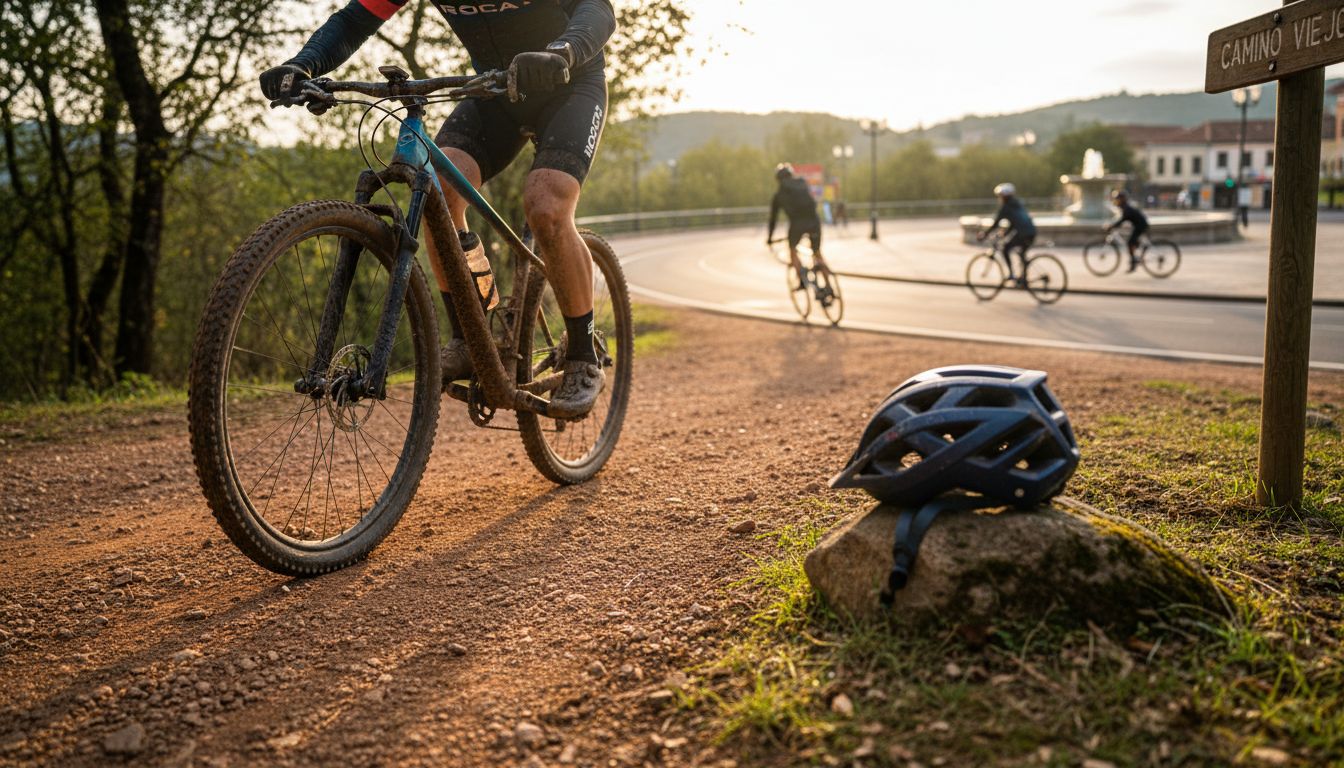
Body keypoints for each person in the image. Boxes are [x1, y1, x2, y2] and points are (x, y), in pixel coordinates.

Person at [258, 0, 616, 419]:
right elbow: (355, 19)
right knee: (439, 192)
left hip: (571, 85)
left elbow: (597, 8)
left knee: (546, 205)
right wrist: (303, 65)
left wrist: (565, 50)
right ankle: (469, 337)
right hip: (496, 92)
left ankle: (582, 357)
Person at [767, 164, 829, 286]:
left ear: (778, 179)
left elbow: (773, 220)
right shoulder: (802, 182)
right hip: (814, 220)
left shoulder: (778, 195)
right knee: (817, 252)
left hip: (797, 224)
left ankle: (801, 280)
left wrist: (770, 238)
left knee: (792, 250)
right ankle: (829, 285)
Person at [977, 183, 1036, 284]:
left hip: (1023, 233)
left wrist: (985, 234)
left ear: (1004, 197)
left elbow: (996, 223)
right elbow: (1015, 223)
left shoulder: (1006, 207)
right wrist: (1005, 233)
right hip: (1031, 232)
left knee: (1005, 248)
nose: (999, 198)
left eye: (1000, 196)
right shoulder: (1016, 204)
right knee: (1021, 254)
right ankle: (1023, 279)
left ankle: (1012, 274)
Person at [1105, 189, 1150, 273]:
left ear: (1122, 199)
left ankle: (1133, 263)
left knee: (1130, 243)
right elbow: (1121, 219)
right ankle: (1135, 258)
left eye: (1118, 199)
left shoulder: (1126, 208)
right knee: (1132, 242)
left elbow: (1122, 220)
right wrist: (1114, 225)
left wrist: (1112, 226)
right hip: (1139, 225)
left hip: (1140, 226)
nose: (1116, 201)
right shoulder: (1125, 207)